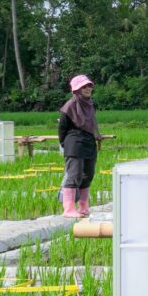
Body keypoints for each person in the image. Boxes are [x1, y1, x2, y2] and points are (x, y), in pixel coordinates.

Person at [58, 75, 102, 218]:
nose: (88, 89)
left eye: (89, 86)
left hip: (89, 142)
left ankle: (83, 207)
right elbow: (62, 128)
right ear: (76, 89)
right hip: (74, 143)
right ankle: (69, 209)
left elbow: (91, 125)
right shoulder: (69, 106)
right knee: (74, 175)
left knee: (87, 175)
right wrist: (65, 144)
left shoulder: (90, 104)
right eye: (84, 87)